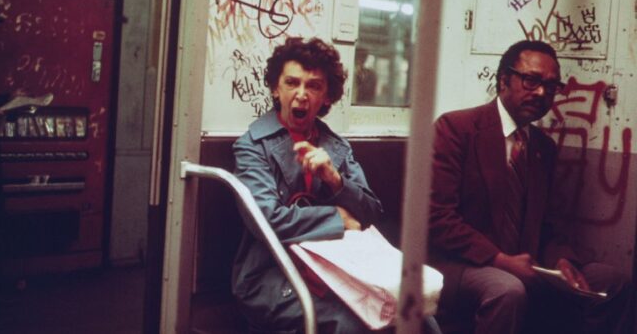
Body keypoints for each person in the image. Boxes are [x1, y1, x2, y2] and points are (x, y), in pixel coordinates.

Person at [428, 40, 632, 334]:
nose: (541, 93)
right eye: (531, 80)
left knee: (611, 281)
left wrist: (562, 260)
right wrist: (500, 260)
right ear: (503, 81)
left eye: (551, 87)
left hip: (529, 263)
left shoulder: (542, 147)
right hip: (461, 264)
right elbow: (437, 219)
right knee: (506, 289)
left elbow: (552, 223)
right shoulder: (456, 129)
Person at [231, 37, 384, 333]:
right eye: (292, 83)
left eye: (313, 86)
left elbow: (371, 212)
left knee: (417, 315)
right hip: (272, 274)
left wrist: (335, 179)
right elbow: (267, 220)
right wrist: (337, 219)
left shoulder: (336, 148)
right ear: (276, 89)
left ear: (327, 96)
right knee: (351, 325)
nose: (301, 95)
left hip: (338, 268)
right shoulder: (252, 147)